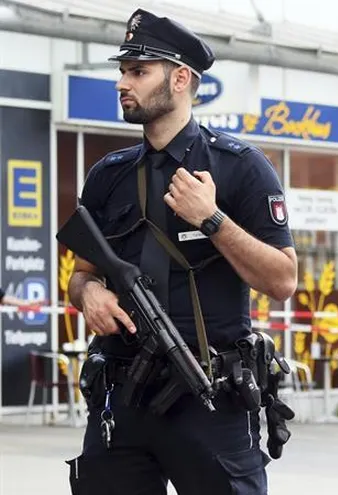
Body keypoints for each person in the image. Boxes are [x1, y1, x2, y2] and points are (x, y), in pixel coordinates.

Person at [64, 9, 298, 495]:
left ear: (180, 79)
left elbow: (282, 281)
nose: (121, 84)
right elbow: (81, 274)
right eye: (122, 72)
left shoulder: (241, 168)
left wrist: (212, 220)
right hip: (122, 396)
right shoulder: (109, 175)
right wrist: (87, 294)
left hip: (210, 397)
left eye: (138, 71)